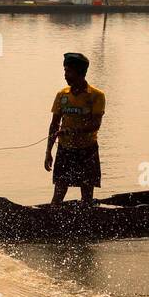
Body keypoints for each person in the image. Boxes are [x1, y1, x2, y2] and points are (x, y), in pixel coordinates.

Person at [45, 52, 105, 205]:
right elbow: (54, 125)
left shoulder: (96, 96)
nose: (65, 75)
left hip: (87, 150)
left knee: (86, 195)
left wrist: (76, 131)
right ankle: (52, 217)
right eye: (65, 71)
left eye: (69, 72)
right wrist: (48, 152)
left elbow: (95, 124)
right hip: (65, 150)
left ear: (80, 73)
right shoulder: (62, 95)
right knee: (59, 193)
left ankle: (86, 218)